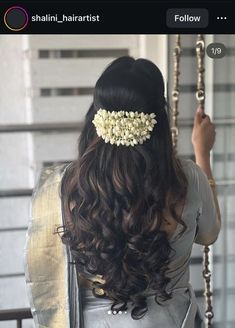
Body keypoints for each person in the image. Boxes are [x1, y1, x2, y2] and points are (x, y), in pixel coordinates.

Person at [24, 56, 221, 328]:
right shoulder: (186, 178)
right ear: (159, 121)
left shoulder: (62, 184)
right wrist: (203, 154)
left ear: (96, 118)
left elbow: (44, 266)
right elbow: (209, 234)